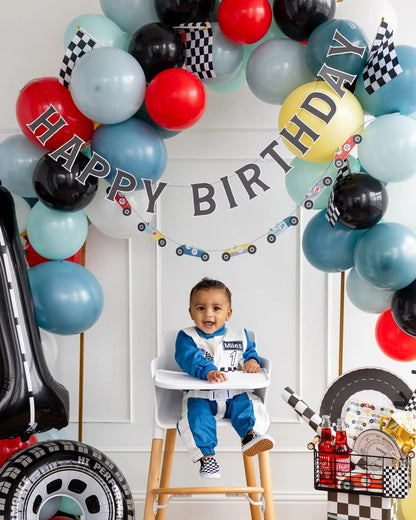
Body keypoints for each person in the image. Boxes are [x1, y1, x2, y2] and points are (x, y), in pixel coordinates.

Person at [175, 277, 274, 479]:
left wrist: (252, 362)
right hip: (201, 397)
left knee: (250, 405)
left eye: (216, 308)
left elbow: (250, 353)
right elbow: (189, 358)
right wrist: (207, 370)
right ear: (191, 312)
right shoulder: (187, 337)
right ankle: (207, 457)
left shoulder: (240, 336)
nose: (208, 313)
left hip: (233, 396)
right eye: (201, 308)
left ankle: (251, 435)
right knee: (196, 418)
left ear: (228, 313)